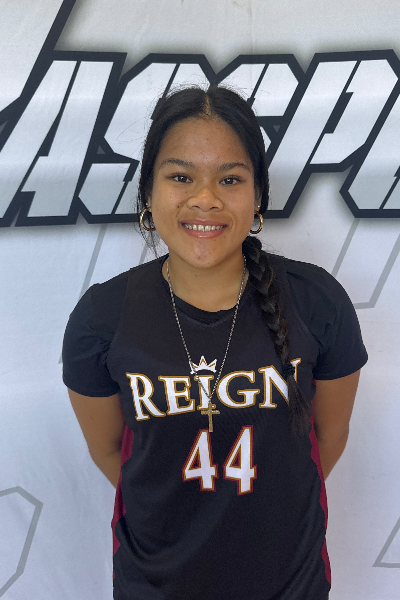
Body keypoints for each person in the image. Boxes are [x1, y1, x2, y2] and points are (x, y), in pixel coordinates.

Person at [62, 86, 368, 600]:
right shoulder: (102, 318)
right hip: (156, 584)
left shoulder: (317, 301)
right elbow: (109, 449)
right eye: (181, 177)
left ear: (258, 195)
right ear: (148, 191)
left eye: (230, 179)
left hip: (289, 583)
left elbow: (327, 440)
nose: (205, 198)